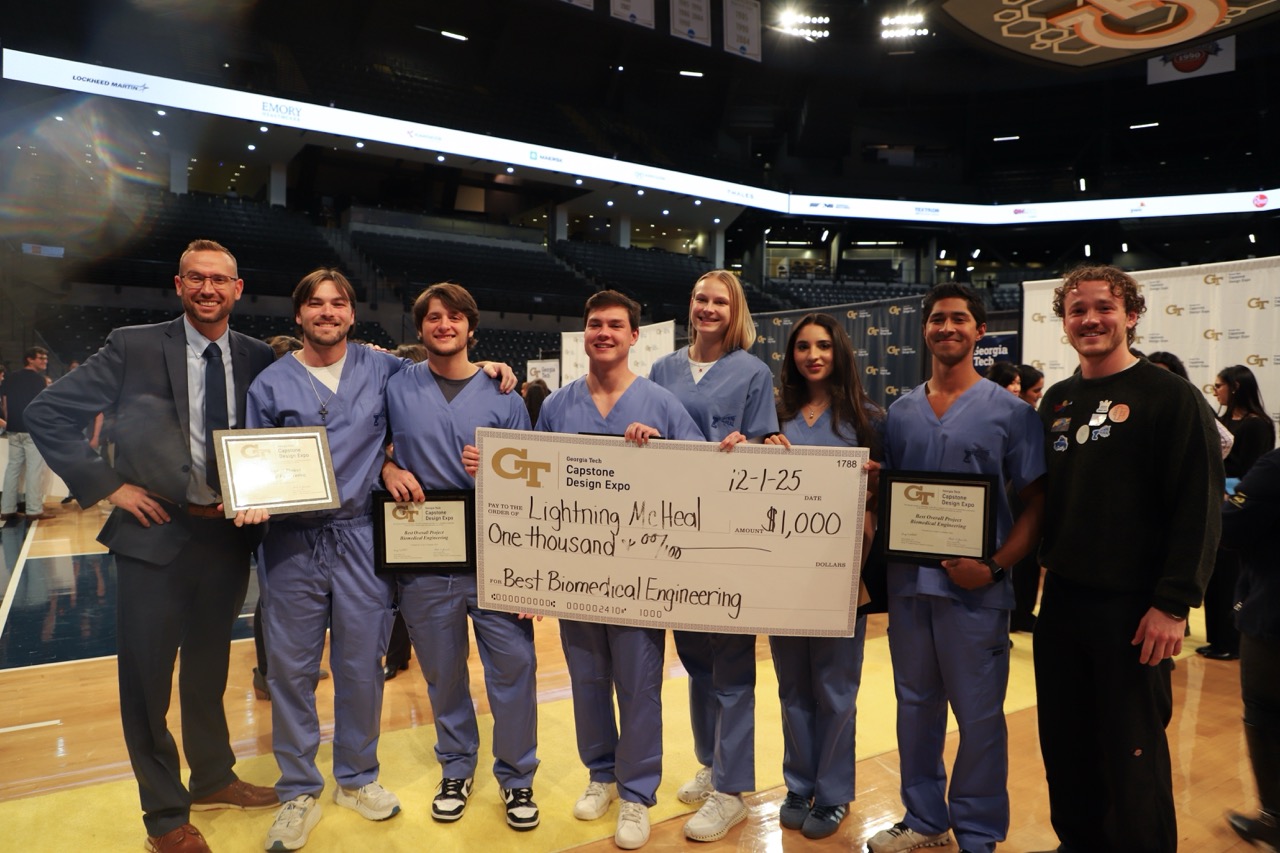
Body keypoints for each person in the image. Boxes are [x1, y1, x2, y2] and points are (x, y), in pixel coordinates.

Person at [24, 239, 278, 853]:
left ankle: (213, 776)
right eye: (197, 278)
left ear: (238, 289)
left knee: (209, 670)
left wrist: (487, 369)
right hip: (154, 534)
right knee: (146, 683)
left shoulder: (260, 355)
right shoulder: (133, 346)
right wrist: (109, 485)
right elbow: (47, 411)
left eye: (221, 279)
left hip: (225, 536)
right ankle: (165, 816)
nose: (209, 289)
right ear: (179, 285)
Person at [1035, 264, 1223, 853]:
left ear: (1132, 315)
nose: (1090, 319)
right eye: (1076, 309)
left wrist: (1172, 605)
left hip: (1133, 611)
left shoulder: (1172, 398)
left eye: (1104, 307)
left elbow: (1200, 507)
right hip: (1062, 603)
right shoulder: (1060, 400)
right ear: (1063, 322)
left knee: (1132, 756)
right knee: (1066, 748)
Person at [867, 283, 1046, 853]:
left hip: (976, 593)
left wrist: (994, 568)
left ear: (980, 331)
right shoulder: (899, 412)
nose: (948, 328)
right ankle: (923, 820)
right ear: (925, 330)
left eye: (960, 319)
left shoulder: (1012, 413)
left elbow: (1038, 504)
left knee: (980, 718)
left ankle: (978, 832)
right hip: (910, 588)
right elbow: (894, 496)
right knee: (915, 710)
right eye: (938, 319)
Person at [531, 290, 703, 850]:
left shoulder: (661, 404)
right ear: (585, 334)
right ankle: (601, 774)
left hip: (641, 577)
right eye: (595, 324)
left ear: (635, 337)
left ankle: (636, 793)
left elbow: (701, 479)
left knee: (638, 685)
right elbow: (537, 485)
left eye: (615, 325)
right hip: (577, 574)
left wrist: (660, 455)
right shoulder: (558, 405)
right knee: (586, 681)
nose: (603, 332)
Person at [380, 283, 540, 832]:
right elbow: (364, 439)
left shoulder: (505, 395)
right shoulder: (395, 385)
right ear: (419, 327)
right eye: (432, 317)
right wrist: (387, 468)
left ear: (472, 328)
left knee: (514, 669)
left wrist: (497, 471)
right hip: (425, 556)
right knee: (443, 674)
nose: (443, 325)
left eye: (454, 317)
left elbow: (534, 483)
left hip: (497, 555)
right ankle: (457, 765)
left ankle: (518, 778)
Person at [646, 269, 779, 842]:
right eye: (700, 297)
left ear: (735, 310)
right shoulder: (662, 370)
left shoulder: (753, 371)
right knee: (696, 663)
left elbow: (766, 451)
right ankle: (711, 761)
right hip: (674, 538)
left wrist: (747, 446)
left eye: (718, 301)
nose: (707, 308)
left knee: (730, 668)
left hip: (727, 538)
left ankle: (733, 790)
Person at [761, 313, 883, 840]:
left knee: (835, 689)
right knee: (792, 687)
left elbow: (882, 505)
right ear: (790, 355)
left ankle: (832, 793)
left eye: (824, 346)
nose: (813, 355)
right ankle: (797, 782)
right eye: (803, 347)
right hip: (781, 578)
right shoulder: (774, 417)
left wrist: (872, 484)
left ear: (840, 353)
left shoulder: (866, 418)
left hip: (840, 580)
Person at [1220, 447, 1280, 849]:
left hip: (1274, 613)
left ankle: (1274, 819)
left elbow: (1232, 527)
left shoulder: (1275, 467)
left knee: (1265, 711)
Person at [1199, 365, 1276, 661]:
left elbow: (1252, 469)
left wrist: (1229, 489)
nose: (1216, 390)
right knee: (1214, 578)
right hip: (1216, 502)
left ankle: (1230, 641)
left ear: (1236, 387)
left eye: (1220, 385)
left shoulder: (1257, 424)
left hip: (1238, 503)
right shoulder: (1220, 421)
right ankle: (1216, 639)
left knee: (1231, 575)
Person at [2, 346, 53, 521]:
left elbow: (5, 403)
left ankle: (7, 509)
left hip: (14, 428)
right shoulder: (39, 381)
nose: (44, 361)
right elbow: (42, 406)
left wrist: (10, 423)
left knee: (12, 469)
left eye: (45, 358)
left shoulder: (11, 377)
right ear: (29, 359)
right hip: (32, 429)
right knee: (34, 470)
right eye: (41, 358)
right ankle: (34, 510)